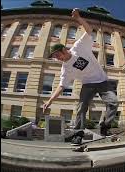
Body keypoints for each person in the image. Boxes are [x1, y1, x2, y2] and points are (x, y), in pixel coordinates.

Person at [43, 8, 119, 145]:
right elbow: (61, 86)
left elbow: (89, 31)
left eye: (57, 55)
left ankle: (105, 127)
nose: (57, 59)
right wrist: (49, 101)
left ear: (64, 50)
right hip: (88, 84)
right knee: (81, 107)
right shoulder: (65, 69)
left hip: (102, 80)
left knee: (113, 102)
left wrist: (78, 18)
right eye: (55, 57)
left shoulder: (79, 47)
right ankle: (78, 134)